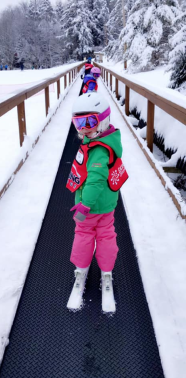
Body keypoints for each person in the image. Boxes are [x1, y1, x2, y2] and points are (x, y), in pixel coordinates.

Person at [66, 93, 128, 312]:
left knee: (83, 234)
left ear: (102, 121)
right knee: (106, 234)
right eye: (78, 123)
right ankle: (106, 272)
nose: (83, 129)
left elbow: (95, 180)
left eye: (89, 122)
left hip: (89, 206)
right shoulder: (104, 140)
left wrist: (84, 205)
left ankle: (81, 272)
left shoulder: (99, 149)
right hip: (108, 205)